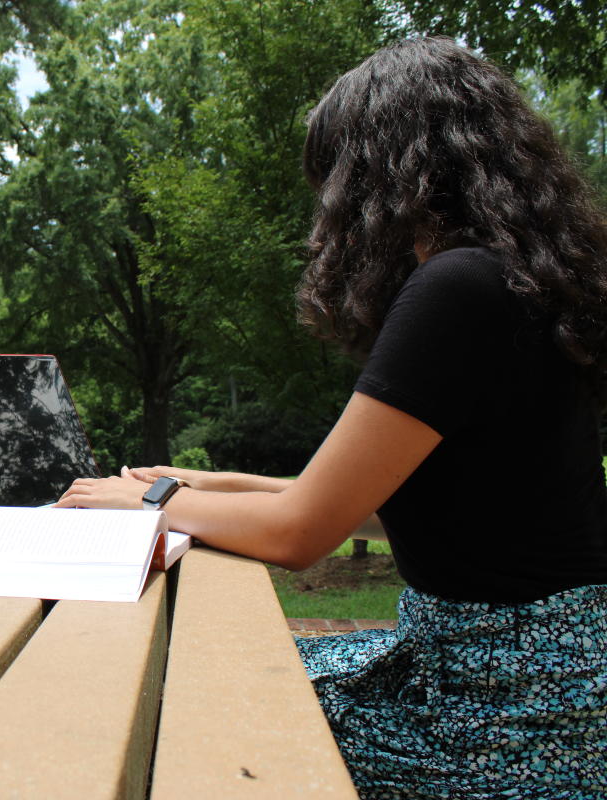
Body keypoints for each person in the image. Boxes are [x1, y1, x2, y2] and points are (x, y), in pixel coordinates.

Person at [55, 36, 607, 799]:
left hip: (501, 713)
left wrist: (149, 501)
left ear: (381, 170)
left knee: (187, 716)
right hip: (553, 679)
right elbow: (379, 508)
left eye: (333, 176)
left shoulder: (458, 289)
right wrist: (212, 480)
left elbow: (301, 536)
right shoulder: (518, 280)